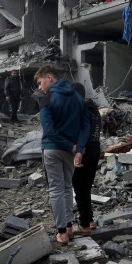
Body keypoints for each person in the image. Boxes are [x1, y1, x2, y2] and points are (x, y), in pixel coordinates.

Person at [34, 66, 90, 245]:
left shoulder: (47, 99)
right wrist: (78, 148)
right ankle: (69, 227)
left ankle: (62, 233)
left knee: (56, 189)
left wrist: (71, 146)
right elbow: (85, 125)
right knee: (67, 187)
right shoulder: (77, 97)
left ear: (49, 78)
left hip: (53, 149)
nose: (40, 88)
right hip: (70, 151)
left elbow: (49, 131)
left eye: (40, 83)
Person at [71, 83, 100, 233]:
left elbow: (81, 132)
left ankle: (84, 224)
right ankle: (89, 220)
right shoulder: (93, 108)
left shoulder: (83, 110)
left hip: (85, 150)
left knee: (79, 185)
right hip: (94, 148)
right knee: (85, 186)